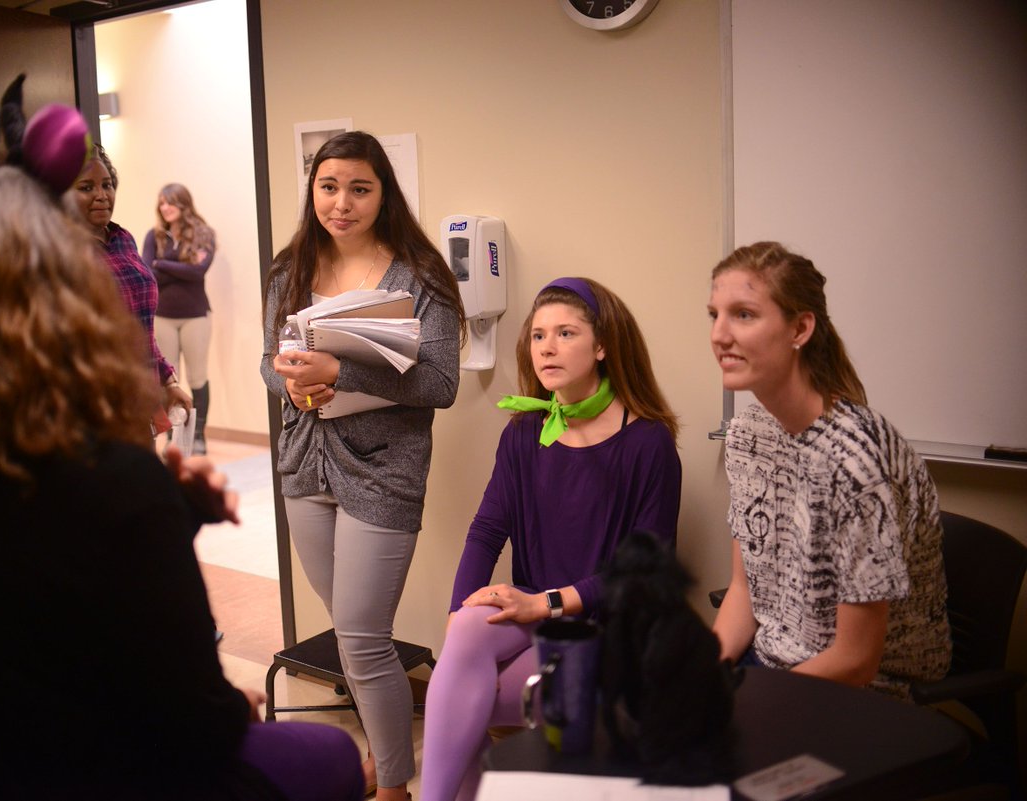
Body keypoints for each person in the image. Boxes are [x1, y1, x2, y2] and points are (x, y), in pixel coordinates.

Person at [0, 166, 364, 801]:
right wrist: (236, 707)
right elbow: (191, 720)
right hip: (82, 773)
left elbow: (31, 612)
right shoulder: (115, 480)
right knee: (337, 758)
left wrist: (166, 516)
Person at [419, 277, 683, 801]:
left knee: (466, 697)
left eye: (566, 333)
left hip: (608, 631)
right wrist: (456, 616)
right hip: (534, 617)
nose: (548, 347)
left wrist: (546, 603)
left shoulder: (649, 443)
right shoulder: (524, 432)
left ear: (602, 346)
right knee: (468, 630)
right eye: (539, 336)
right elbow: (487, 529)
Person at [260, 131, 465, 801]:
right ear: (313, 189)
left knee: (362, 637)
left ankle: (394, 789)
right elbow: (269, 359)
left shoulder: (420, 274)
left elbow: (440, 383)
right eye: (328, 186)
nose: (340, 202)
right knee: (353, 636)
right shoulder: (289, 266)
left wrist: (339, 370)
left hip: (383, 473)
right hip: (304, 467)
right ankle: (387, 761)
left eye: (358, 188)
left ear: (384, 192)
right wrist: (289, 382)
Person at [707, 241, 950, 699]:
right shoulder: (747, 435)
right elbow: (745, 590)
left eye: (743, 314)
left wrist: (749, 702)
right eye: (714, 315)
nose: (719, 335)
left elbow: (857, 661)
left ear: (800, 328)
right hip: (772, 664)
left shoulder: (855, 461)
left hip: (865, 694)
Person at [65, 144, 192, 427]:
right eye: (86, 188)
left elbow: (140, 329)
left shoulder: (123, 240)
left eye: (107, 185)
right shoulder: (60, 253)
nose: (101, 195)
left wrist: (168, 381)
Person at [143, 183, 217, 454]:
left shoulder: (203, 234)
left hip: (196, 316)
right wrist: (182, 267)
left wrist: (161, 264)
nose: (165, 208)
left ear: (183, 203)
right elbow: (147, 274)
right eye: (161, 203)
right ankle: (175, 437)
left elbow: (198, 272)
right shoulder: (154, 236)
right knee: (170, 379)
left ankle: (198, 436)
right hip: (162, 316)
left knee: (197, 378)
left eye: (170, 202)